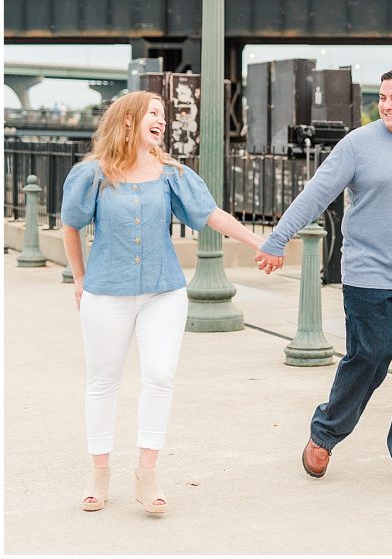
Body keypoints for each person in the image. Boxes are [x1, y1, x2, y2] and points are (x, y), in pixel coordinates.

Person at [254, 66, 392, 486]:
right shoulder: (358, 144)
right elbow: (316, 193)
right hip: (369, 278)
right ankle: (325, 433)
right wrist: (277, 240)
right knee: (369, 358)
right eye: (383, 98)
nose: (387, 106)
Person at [61, 91, 269, 514]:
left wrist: (259, 242)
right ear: (127, 121)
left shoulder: (173, 173)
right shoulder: (93, 175)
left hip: (164, 291)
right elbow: (70, 225)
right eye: (152, 113)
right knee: (103, 380)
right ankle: (99, 473)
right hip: (105, 291)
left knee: (159, 375)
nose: (161, 120)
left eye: (163, 114)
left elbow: (211, 214)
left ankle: (147, 470)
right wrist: (80, 278)